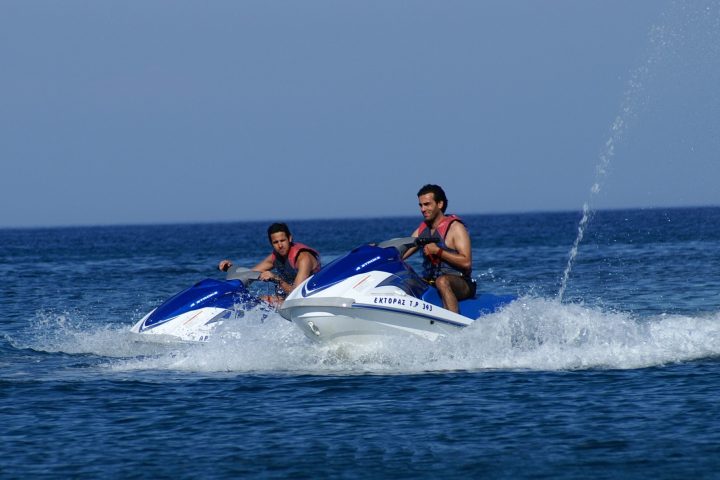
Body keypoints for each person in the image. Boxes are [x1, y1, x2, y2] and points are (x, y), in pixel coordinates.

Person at [403, 184, 475, 313]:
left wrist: (438, 251)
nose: (423, 209)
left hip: (461, 283)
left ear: (440, 204)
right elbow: (403, 253)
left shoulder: (455, 228)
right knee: (405, 278)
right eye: (421, 205)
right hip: (430, 281)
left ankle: (454, 326)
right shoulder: (422, 230)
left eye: (427, 204)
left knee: (442, 281)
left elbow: (466, 262)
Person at [218, 223, 321, 305]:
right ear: (271, 243)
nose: (280, 245)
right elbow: (249, 274)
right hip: (289, 300)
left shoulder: (303, 258)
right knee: (254, 302)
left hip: (312, 299)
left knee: (267, 302)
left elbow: (296, 293)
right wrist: (230, 268)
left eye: (283, 240)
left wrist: (275, 278)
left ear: (290, 239)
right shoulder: (275, 257)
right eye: (276, 242)